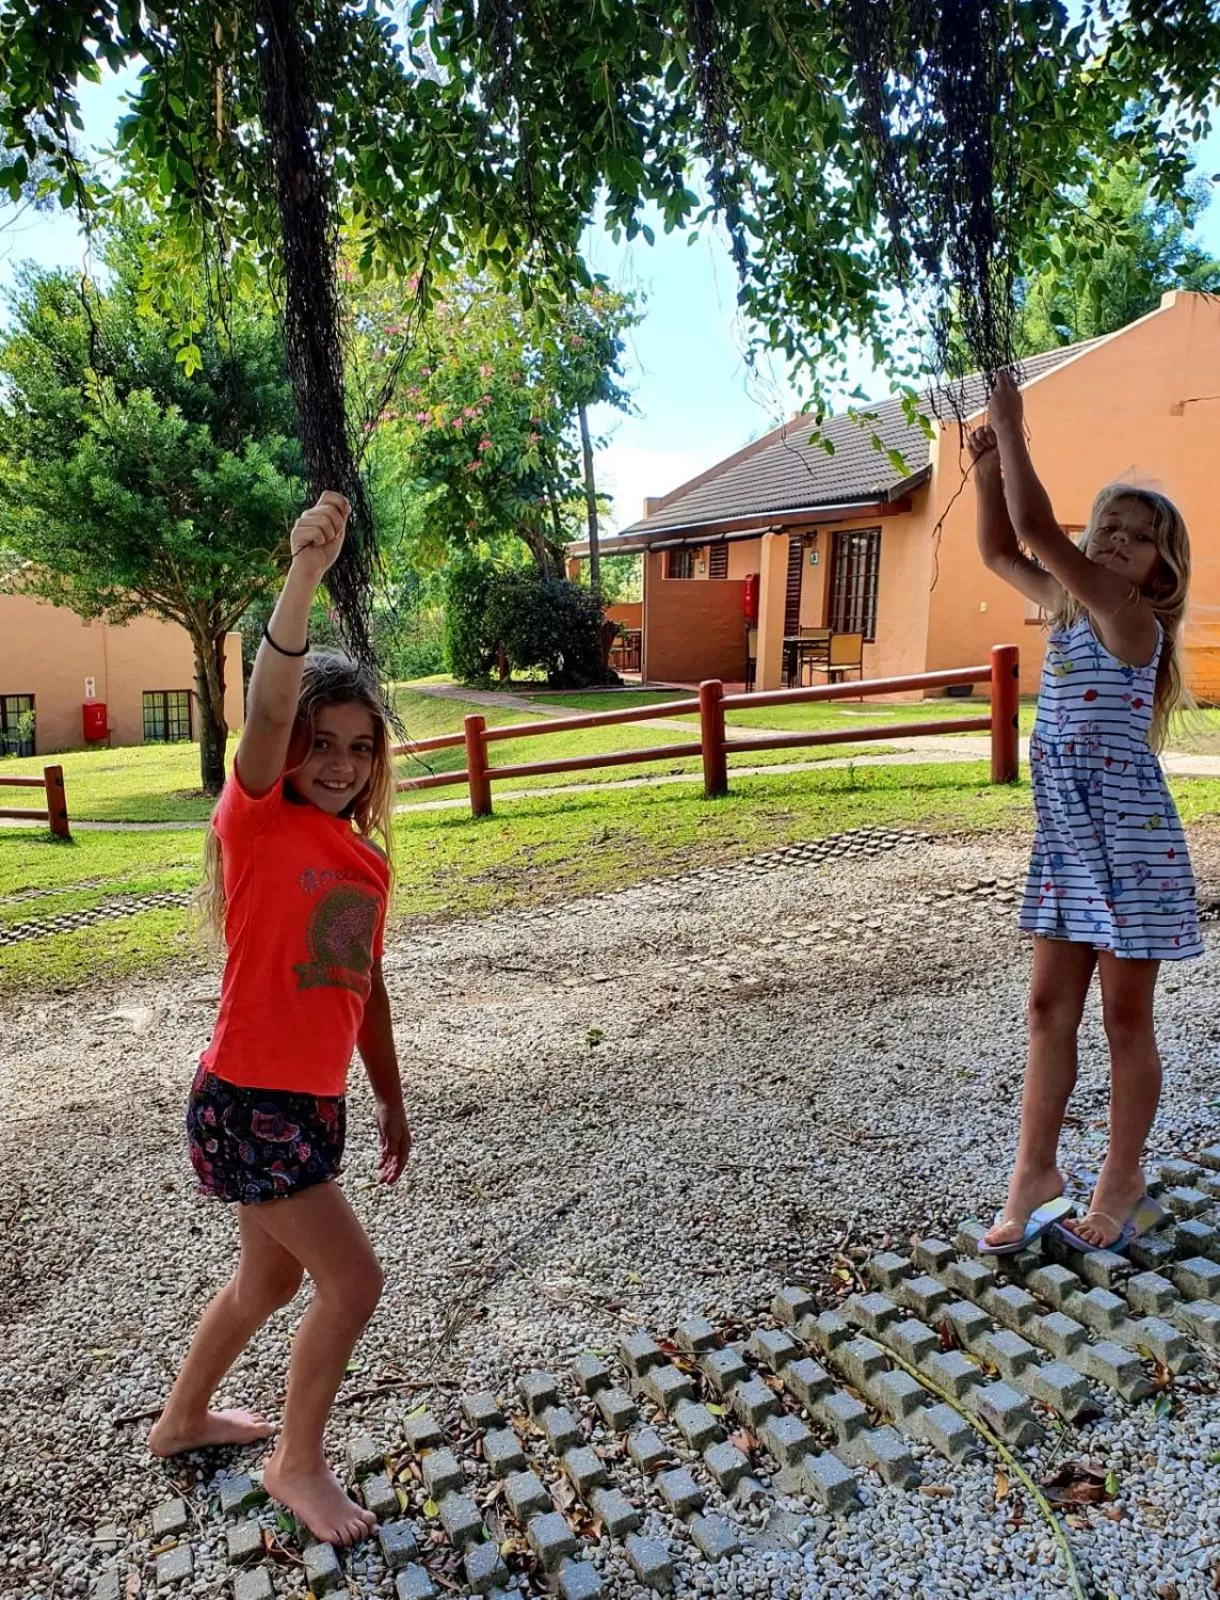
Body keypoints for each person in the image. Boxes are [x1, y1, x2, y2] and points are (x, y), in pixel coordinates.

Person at [148, 492, 411, 1545]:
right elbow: (261, 711)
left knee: (268, 1276)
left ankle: (179, 1419)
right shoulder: (258, 818)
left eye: (358, 746)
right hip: (249, 1100)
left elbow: (362, 988)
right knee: (352, 1281)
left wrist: (389, 1097)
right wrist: (305, 568)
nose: (339, 762)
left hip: (305, 1105)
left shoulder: (363, 858)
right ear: (291, 746)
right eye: (322, 741)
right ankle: (295, 1463)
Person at [970, 372, 1200, 1257]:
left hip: (1132, 847)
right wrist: (987, 469)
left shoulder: (1125, 615)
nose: (1116, 541)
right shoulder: (1067, 608)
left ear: (1158, 569)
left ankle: (1122, 1178)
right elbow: (1001, 549)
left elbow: (1037, 530)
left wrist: (1014, 421)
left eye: (1139, 539)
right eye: (1109, 524)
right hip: (1068, 841)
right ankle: (1035, 1172)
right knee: (1045, 1008)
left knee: (1124, 1020)